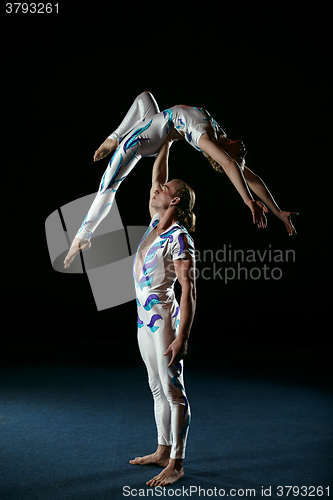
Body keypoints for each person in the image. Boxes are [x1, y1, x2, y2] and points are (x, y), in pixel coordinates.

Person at [65, 90, 298, 269]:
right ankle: (115, 136)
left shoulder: (206, 139)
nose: (243, 152)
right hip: (159, 123)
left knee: (108, 185)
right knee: (144, 97)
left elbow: (231, 165)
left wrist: (248, 202)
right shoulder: (219, 133)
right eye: (242, 157)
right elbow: (252, 177)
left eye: (241, 157)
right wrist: (277, 212)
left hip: (149, 136)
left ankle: (82, 237)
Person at [129, 129, 195, 486]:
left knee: (173, 390)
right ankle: (161, 449)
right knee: (156, 387)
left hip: (164, 322)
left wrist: (181, 337)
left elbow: (189, 290)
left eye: (165, 189)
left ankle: (178, 462)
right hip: (143, 319)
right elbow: (156, 176)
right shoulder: (156, 224)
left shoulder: (179, 237)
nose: (157, 188)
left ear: (176, 202)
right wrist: (166, 142)